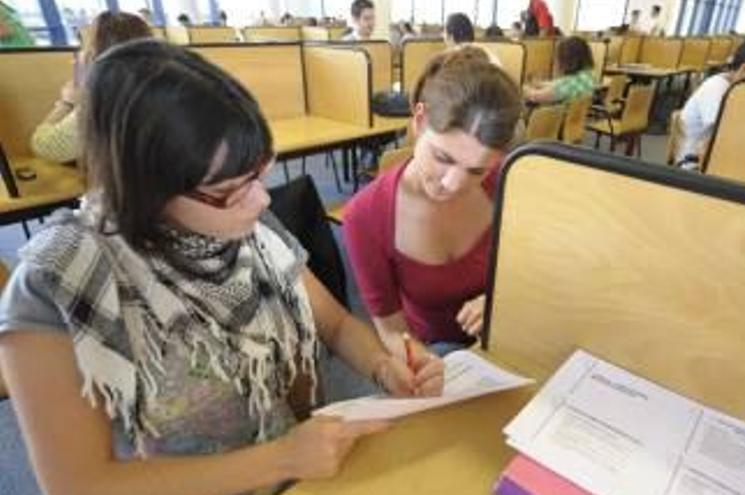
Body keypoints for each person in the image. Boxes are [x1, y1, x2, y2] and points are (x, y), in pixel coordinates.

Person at [1, 39, 445, 495]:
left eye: (259, 173)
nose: (262, 198)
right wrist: (281, 458)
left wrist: (382, 367)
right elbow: (80, 484)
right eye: (231, 188)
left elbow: (332, 323)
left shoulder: (246, 225)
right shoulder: (57, 285)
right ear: (146, 187)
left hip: (303, 468)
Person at [343, 47, 522, 358]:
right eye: (443, 157)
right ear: (419, 120)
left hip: (510, 329)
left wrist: (501, 299)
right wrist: (422, 363)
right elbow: (391, 330)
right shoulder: (366, 215)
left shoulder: (509, 179)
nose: (453, 184)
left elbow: (532, 267)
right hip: (434, 347)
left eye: (476, 170)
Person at [30, 11, 153, 164]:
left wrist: (67, 103)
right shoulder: (163, 83)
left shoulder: (107, 99)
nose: (78, 57)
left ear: (98, 53)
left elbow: (45, 146)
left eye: (84, 47)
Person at [676, 35, 745, 170]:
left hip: (721, 158)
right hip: (695, 165)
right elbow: (726, 133)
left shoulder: (742, 89)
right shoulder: (716, 88)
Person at [524, 36, 595, 104]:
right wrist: (540, 84)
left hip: (557, 115)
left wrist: (523, 88)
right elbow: (560, 83)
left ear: (567, 59)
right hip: (578, 115)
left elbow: (535, 96)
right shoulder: (588, 75)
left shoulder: (569, 84)